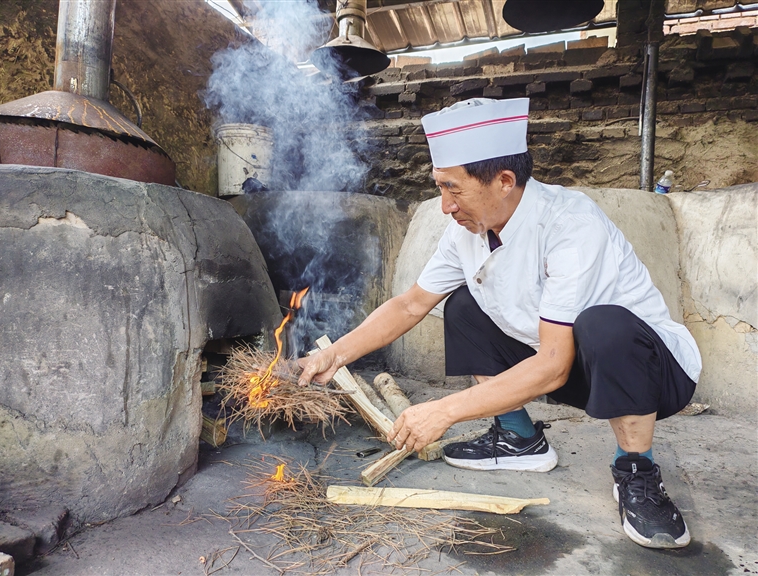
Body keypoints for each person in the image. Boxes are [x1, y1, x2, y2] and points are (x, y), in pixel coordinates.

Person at [298, 98, 701, 550]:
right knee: (463, 305)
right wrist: (333, 355)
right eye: (439, 188)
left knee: (605, 325)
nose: (445, 206)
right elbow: (410, 305)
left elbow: (554, 364)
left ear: (504, 181)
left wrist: (443, 411)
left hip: (650, 372)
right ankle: (519, 439)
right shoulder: (466, 230)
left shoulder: (571, 224)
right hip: (568, 365)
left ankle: (637, 470)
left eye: (453, 189)